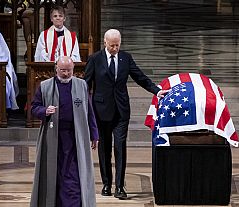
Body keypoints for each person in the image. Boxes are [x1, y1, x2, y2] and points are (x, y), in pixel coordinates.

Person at [84, 28, 168, 199]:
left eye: (118, 45)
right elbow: (85, 83)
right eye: (112, 45)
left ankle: (120, 187)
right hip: (101, 110)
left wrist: (156, 90)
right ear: (105, 42)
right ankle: (107, 184)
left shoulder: (126, 58)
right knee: (104, 148)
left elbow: (140, 77)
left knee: (120, 147)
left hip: (121, 110)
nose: (115, 48)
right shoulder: (94, 59)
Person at [30, 56, 98, 207]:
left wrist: (94, 134)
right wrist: (45, 110)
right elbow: (34, 107)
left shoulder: (82, 85)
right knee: (54, 173)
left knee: (73, 174)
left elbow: (89, 111)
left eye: (69, 70)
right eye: (62, 70)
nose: (66, 74)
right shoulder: (45, 86)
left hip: (76, 138)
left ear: (73, 69)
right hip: (53, 138)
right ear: (56, 69)